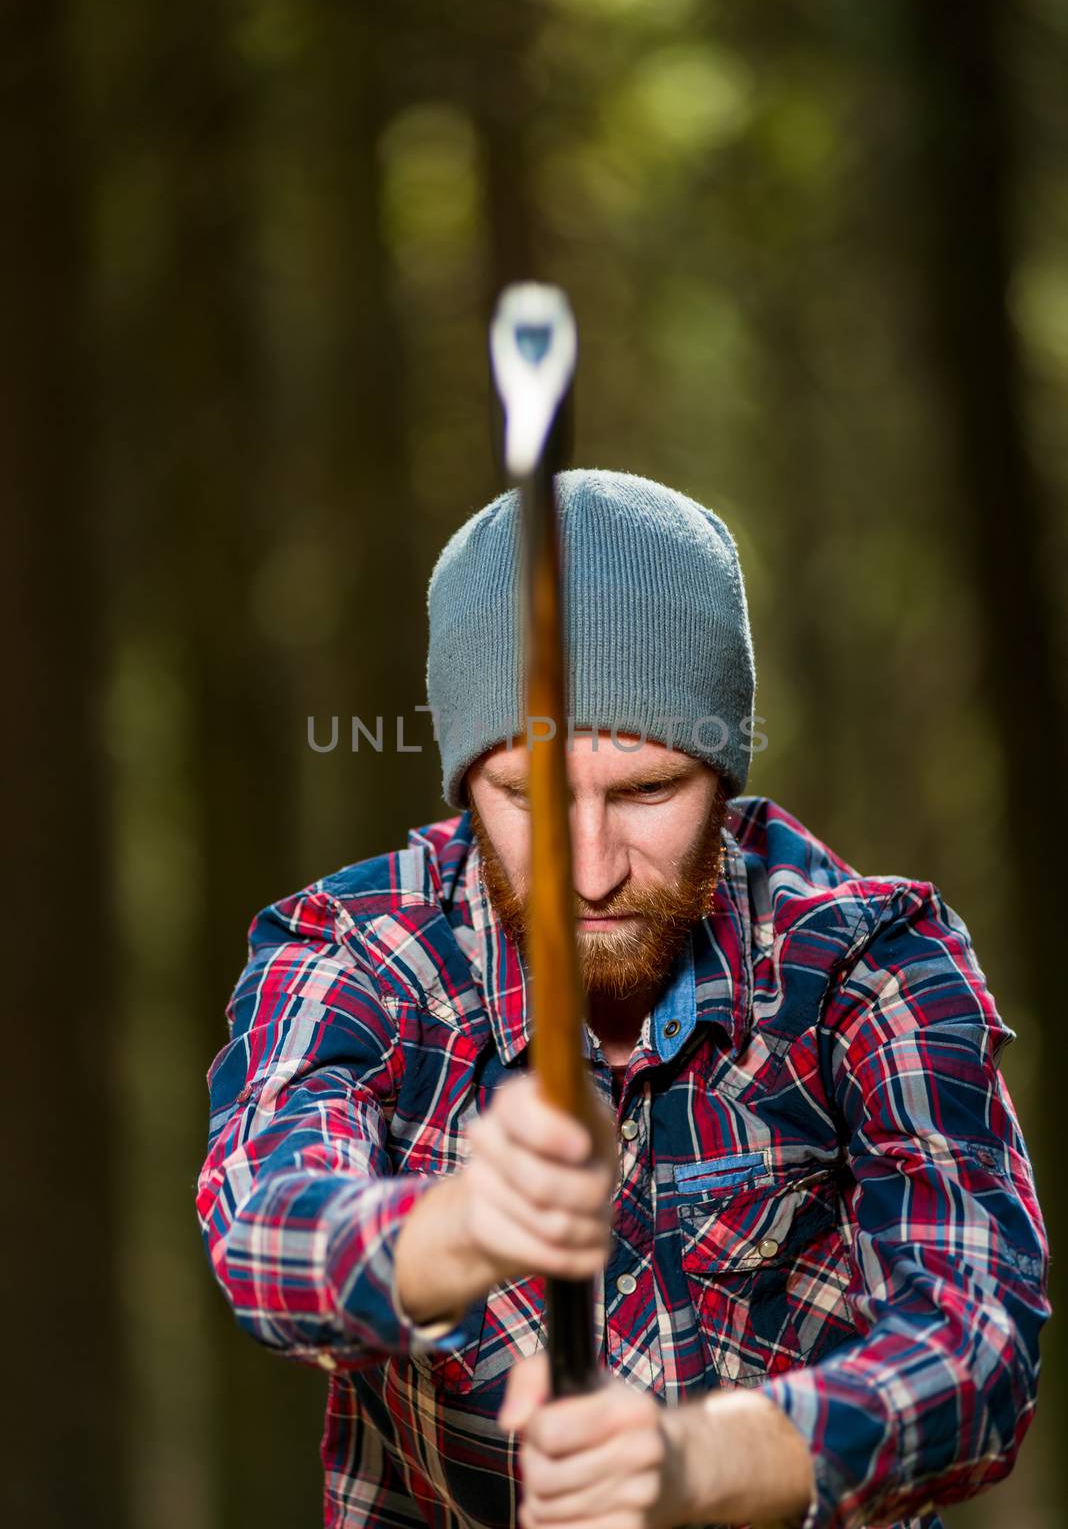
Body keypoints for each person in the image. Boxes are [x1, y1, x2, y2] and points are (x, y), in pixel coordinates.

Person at [197, 470, 1049, 1529]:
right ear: (466, 784)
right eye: (528, 799)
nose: (588, 867)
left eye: (647, 791)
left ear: (724, 773)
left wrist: (705, 1461)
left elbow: (981, 1338)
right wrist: (458, 1228)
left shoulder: (869, 961)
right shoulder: (355, 950)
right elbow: (262, 1229)